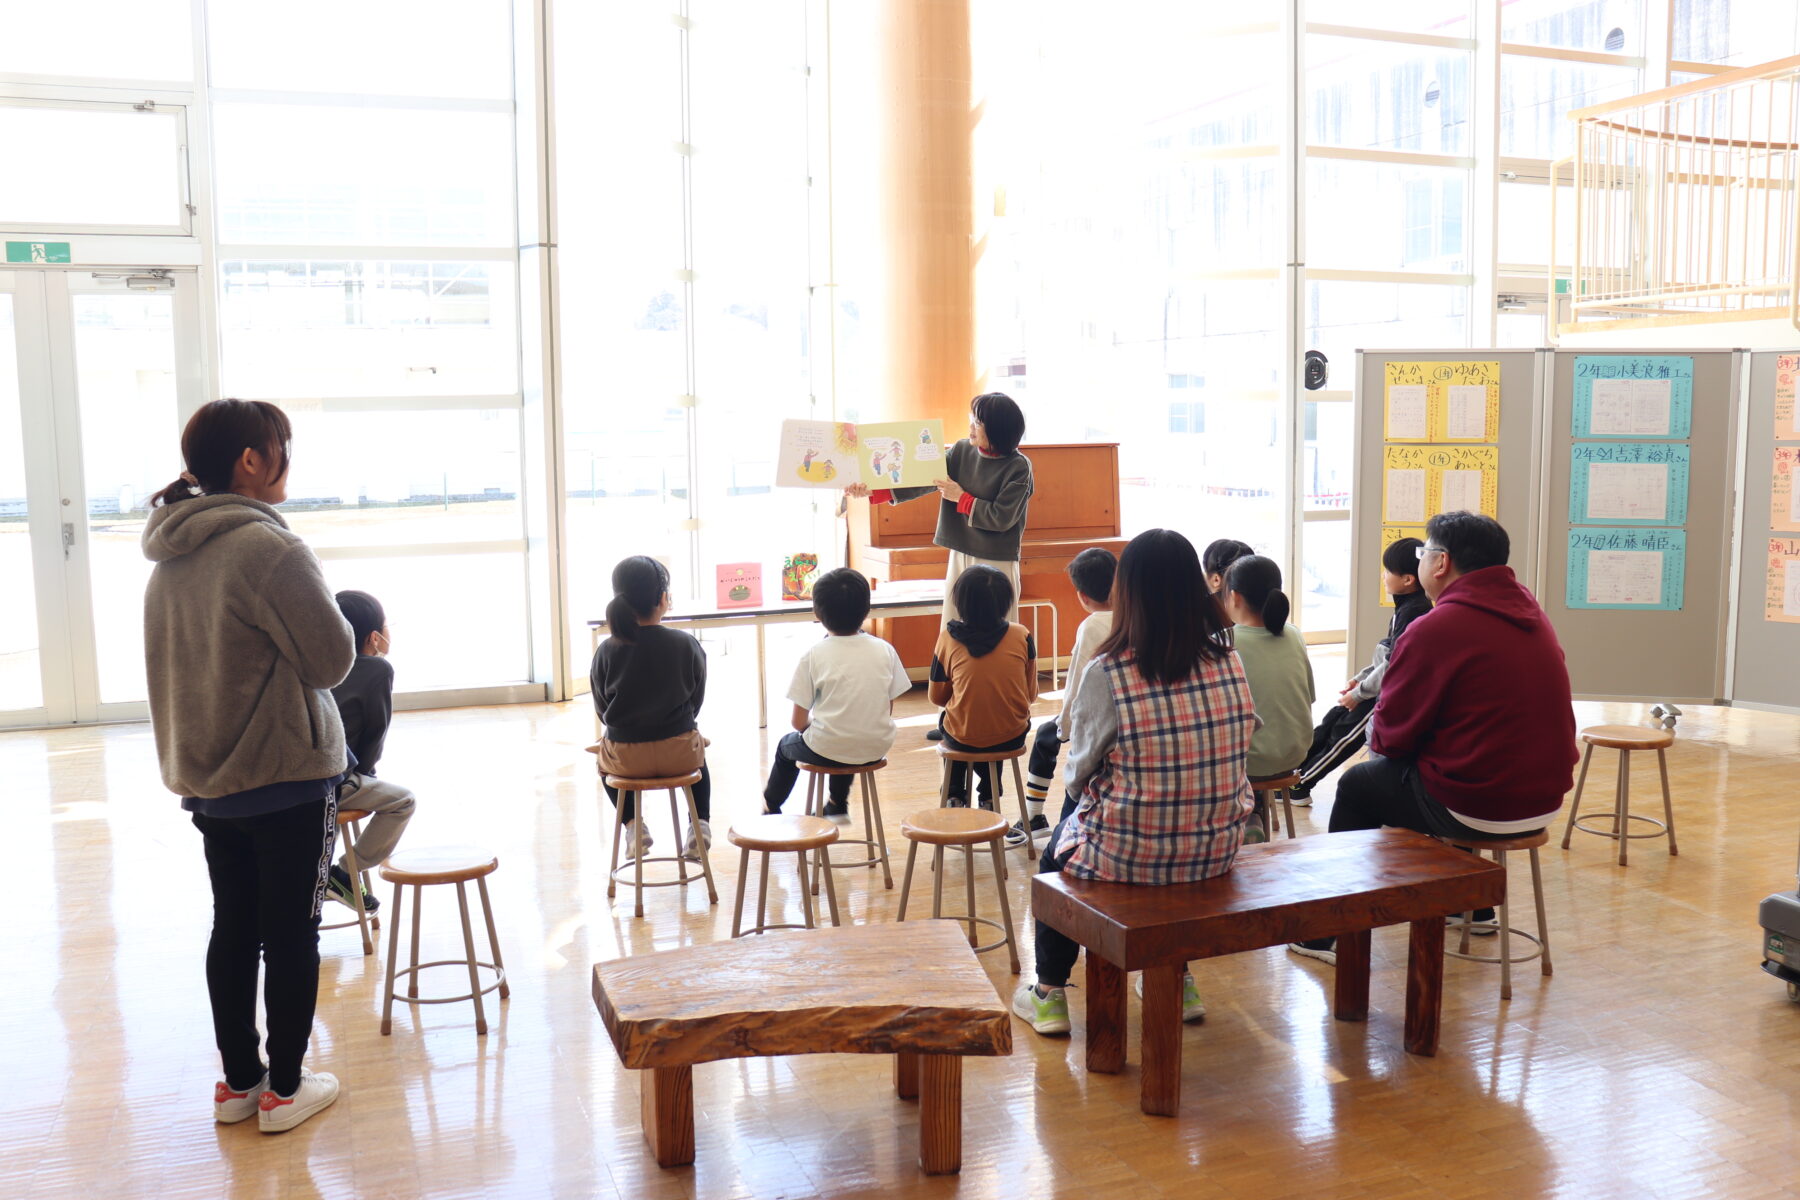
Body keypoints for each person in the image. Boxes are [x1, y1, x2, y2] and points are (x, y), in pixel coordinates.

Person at [143, 398, 354, 1133]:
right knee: (293, 932)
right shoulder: (270, 550)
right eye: (282, 447)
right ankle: (287, 1091)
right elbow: (331, 660)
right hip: (287, 777)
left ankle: (239, 1084)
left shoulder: (170, 557)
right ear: (251, 462)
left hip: (211, 783)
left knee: (232, 926)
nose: (287, 458)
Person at [1289, 512, 1578, 966]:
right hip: (1544, 800)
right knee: (1463, 756)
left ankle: (1327, 931)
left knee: (1359, 785)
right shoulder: (1532, 614)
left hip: (1480, 805)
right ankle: (1472, 905)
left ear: (1440, 562)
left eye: (1422, 553)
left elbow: (1388, 739)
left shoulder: (1435, 628)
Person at [1012, 529, 1258, 1036]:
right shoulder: (1228, 659)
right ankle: (1176, 977)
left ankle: (1049, 993)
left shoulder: (1110, 670)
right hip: (1216, 848)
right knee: (1160, 824)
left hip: (1128, 855)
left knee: (1055, 854)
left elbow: (1079, 774)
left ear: (1127, 592)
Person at [847, 393, 1032, 739]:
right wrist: (871, 491)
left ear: (999, 429)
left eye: (977, 422)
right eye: (972, 420)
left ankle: (1004, 715)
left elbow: (1003, 518)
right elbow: (919, 477)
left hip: (998, 561)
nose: (971, 427)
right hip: (960, 553)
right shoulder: (962, 450)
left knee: (1000, 636)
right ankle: (952, 716)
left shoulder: (1018, 467)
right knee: (952, 630)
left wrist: (960, 497)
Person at [1288, 537, 1431, 805]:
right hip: (1377, 688)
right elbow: (1386, 655)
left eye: (1388, 571)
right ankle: (1292, 774)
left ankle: (1302, 784)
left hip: (1387, 697)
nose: (1383, 576)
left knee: (1344, 737)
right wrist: (1361, 679)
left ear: (1408, 580)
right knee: (1333, 720)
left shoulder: (1416, 612)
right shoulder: (1405, 608)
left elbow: (1394, 666)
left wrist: (1362, 693)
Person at [762, 568, 911, 817]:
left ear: (817, 613)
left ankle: (771, 806)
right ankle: (836, 802)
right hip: (877, 745)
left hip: (830, 747)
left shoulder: (814, 655)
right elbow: (886, 707)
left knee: (788, 746)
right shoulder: (885, 649)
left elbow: (798, 723)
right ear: (866, 610)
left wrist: (819, 726)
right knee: (846, 731)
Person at [590, 556, 712, 859]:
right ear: (663, 599)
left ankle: (634, 827)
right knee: (700, 758)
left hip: (626, 760)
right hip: (680, 755)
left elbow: (602, 708)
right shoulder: (687, 643)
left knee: (602, 766)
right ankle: (700, 826)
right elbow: (695, 701)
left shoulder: (607, 649)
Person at [1013, 546, 1117, 848]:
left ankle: (1033, 816)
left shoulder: (1093, 625)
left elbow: (1077, 683)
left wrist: (1065, 727)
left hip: (1100, 719)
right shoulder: (1139, 612)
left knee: (1048, 737)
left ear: (1082, 596)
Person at [325, 590, 415, 911]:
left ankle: (319, 876)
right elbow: (375, 733)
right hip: (335, 777)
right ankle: (345, 874)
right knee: (403, 801)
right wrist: (366, 775)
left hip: (297, 778)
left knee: (328, 816)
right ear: (375, 637)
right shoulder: (377, 670)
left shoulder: (318, 661)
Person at [1219, 554, 1315, 839]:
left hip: (1249, 763)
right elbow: (1309, 695)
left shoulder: (1223, 642)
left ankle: (1247, 820)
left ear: (1234, 597)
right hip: (1294, 752)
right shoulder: (1294, 634)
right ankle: (1254, 814)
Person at [929, 565, 1037, 809]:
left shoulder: (948, 637)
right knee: (997, 722)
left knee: (957, 724)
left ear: (959, 601)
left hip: (962, 738)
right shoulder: (1022, 635)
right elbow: (1030, 694)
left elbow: (937, 697)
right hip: (1011, 736)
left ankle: (954, 793)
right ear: (1006, 601)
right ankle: (989, 794)